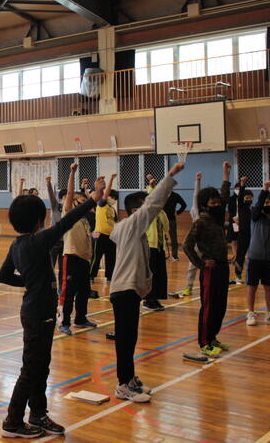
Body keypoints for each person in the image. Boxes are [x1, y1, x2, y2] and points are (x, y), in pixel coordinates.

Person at [0, 176, 104, 438]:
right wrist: (92, 199)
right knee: (31, 369)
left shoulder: (17, 244)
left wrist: (29, 282)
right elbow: (66, 222)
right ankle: (12, 421)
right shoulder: (37, 241)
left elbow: (3, 276)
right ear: (37, 219)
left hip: (37, 311)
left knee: (41, 366)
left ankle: (38, 414)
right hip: (38, 313)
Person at [109, 163, 182, 404]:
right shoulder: (131, 226)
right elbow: (153, 204)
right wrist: (169, 177)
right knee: (125, 340)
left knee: (130, 338)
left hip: (129, 291)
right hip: (124, 291)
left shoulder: (132, 231)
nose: (149, 212)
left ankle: (129, 379)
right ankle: (122, 385)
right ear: (135, 211)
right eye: (143, 208)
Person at [183, 161, 232, 359]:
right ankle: (204, 342)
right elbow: (187, 245)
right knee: (209, 306)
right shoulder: (200, 222)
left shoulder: (218, 218)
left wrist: (226, 175)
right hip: (210, 270)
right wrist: (201, 263)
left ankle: (213, 337)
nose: (217, 205)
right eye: (213, 203)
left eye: (217, 202)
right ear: (204, 205)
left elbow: (225, 197)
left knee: (221, 305)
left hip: (223, 266)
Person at [58, 163, 97, 335]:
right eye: (80, 202)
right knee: (68, 292)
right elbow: (70, 193)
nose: (84, 205)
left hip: (83, 259)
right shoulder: (68, 213)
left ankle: (80, 318)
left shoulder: (85, 220)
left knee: (84, 291)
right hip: (71, 256)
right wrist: (72, 173)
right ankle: (63, 321)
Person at [244, 179, 270, 326]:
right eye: (266, 202)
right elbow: (257, 206)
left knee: (268, 288)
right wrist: (265, 189)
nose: (268, 205)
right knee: (252, 287)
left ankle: (269, 314)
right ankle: (251, 313)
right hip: (254, 258)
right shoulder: (255, 217)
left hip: (268, 260)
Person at [142, 202, 169, 312]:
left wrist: (162, 213)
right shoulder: (146, 212)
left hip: (160, 247)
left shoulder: (162, 213)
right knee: (151, 274)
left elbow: (166, 228)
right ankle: (148, 300)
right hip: (149, 246)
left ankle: (156, 298)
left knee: (160, 274)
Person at [91, 174, 117, 283]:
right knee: (96, 257)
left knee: (111, 257)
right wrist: (111, 179)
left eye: (115, 198)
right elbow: (106, 193)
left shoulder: (112, 209)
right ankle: (90, 276)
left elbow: (114, 222)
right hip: (99, 234)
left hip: (110, 236)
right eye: (112, 197)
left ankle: (110, 277)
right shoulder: (101, 205)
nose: (113, 200)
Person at [233, 178, 254, 284]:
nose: (248, 199)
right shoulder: (242, 208)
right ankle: (238, 275)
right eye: (247, 197)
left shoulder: (253, 210)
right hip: (243, 235)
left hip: (253, 236)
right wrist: (242, 185)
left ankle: (252, 275)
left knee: (253, 256)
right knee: (240, 255)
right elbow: (240, 197)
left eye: (250, 197)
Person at [164, 189, 187, 261]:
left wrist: (178, 212)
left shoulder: (175, 196)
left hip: (171, 220)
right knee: (160, 238)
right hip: (162, 220)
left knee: (173, 238)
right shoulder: (161, 194)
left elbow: (184, 205)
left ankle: (175, 256)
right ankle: (161, 255)